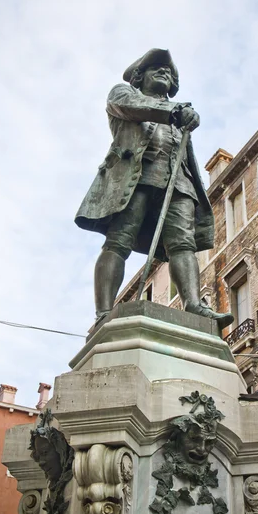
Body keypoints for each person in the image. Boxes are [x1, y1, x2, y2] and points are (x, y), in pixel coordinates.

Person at [75, 48, 233, 329]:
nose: (164, 72)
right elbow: (134, 108)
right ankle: (103, 314)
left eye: (169, 72)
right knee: (118, 241)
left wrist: (183, 116)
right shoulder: (123, 95)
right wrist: (176, 111)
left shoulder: (178, 113)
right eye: (156, 68)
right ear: (140, 76)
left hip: (179, 183)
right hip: (136, 178)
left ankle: (194, 306)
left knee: (184, 244)